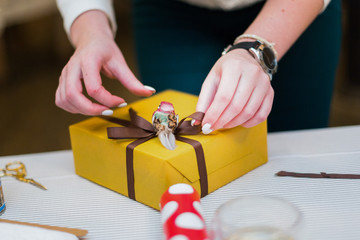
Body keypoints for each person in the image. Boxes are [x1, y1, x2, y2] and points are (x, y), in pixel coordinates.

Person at [55, 0, 341, 133]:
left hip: (292, 10)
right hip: (171, 17)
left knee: (293, 152)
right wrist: (91, 31)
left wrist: (254, 50)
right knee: (192, 163)